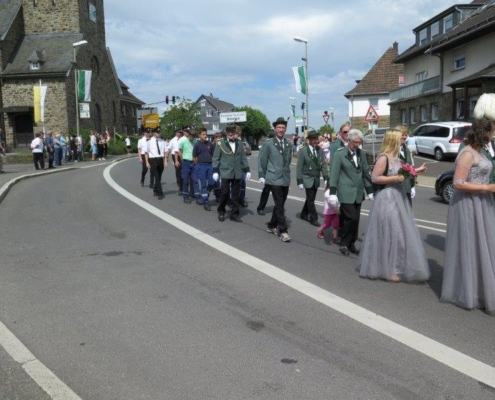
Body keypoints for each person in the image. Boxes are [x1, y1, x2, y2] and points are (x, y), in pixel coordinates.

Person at [358, 129, 430, 283]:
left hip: (398, 196)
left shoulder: (396, 157)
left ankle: (397, 266)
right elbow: (375, 178)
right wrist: (395, 178)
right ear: (393, 140)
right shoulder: (383, 157)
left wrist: (417, 170)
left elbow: (405, 172)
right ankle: (389, 269)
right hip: (388, 197)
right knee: (391, 232)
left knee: (400, 233)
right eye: (400, 138)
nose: (404, 140)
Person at [441, 118, 495, 315]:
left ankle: (483, 290)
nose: (493, 135)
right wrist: (487, 187)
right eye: (491, 132)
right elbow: (458, 183)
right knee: (471, 245)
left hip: (482, 203)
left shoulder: (480, 152)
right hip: (468, 204)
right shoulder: (467, 153)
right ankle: (470, 291)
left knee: (484, 245)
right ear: (484, 133)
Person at [329, 129, 373, 256]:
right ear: (349, 140)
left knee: (356, 219)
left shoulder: (361, 154)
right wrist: (332, 192)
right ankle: (344, 243)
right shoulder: (340, 154)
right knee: (351, 218)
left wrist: (370, 190)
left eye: (360, 142)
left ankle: (351, 243)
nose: (358, 145)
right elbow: (334, 173)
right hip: (345, 191)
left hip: (358, 192)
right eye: (356, 142)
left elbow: (365, 173)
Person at [259, 117, 293, 242]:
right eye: (279, 127)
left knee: (281, 203)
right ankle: (283, 231)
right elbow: (263, 160)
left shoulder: (288, 144)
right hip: (273, 178)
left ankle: (271, 225)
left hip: (285, 178)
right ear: (275, 129)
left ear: (285, 129)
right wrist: (262, 175)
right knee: (279, 205)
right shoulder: (268, 144)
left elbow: (289, 160)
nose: (281, 130)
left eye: (283, 127)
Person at [212, 126, 250, 222]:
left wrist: (247, 170)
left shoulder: (239, 143)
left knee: (235, 194)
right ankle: (221, 210)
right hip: (225, 171)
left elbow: (243, 158)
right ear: (226, 132)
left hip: (237, 172)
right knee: (224, 193)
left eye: (232, 131)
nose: (230, 133)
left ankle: (234, 214)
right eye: (228, 131)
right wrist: (215, 171)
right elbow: (216, 158)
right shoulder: (220, 143)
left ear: (235, 132)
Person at [296, 130, 329, 226]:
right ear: (309, 139)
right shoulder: (303, 151)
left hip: (316, 179)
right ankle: (313, 218)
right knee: (311, 199)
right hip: (307, 178)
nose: (316, 141)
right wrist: (299, 181)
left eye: (316, 139)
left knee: (310, 198)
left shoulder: (319, 150)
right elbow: (299, 167)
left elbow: (323, 165)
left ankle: (303, 214)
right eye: (313, 139)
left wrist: (326, 177)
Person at [395, 125, 428, 206]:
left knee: (408, 211)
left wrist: (412, 185)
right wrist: (417, 170)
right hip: (396, 188)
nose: (404, 137)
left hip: (407, 187)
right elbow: (399, 170)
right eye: (402, 135)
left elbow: (409, 167)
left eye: (405, 135)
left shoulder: (406, 149)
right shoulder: (392, 151)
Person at [193, 128, 215, 211]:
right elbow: (194, 157)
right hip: (201, 165)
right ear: (199, 135)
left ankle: (205, 194)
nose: (205, 136)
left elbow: (213, 154)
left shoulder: (210, 144)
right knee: (203, 184)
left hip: (209, 165)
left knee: (212, 183)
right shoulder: (197, 145)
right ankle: (206, 202)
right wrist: (198, 166)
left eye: (205, 134)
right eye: (203, 134)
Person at [145, 128, 168, 200]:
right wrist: (147, 162)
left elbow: (165, 152)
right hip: (153, 160)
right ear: (154, 133)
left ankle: (155, 190)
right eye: (158, 132)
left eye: (160, 132)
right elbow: (146, 153)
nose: (159, 133)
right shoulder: (149, 142)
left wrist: (165, 161)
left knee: (159, 177)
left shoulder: (163, 142)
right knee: (157, 177)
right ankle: (160, 193)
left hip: (160, 159)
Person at [177, 128, 196, 203]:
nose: (192, 138)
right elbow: (180, 151)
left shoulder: (195, 142)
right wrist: (182, 159)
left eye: (193, 136)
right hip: (186, 162)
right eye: (191, 136)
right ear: (188, 135)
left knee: (194, 179)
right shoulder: (183, 142)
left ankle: (193, 193)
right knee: (185, 180)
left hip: (193, 162)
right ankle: (185, 196)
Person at [169, 129, 183, 196]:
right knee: (177, 169)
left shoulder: (183, 139)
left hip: (181, 155)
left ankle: (182, 180)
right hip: (174, 155)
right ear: (176, 133)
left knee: (182, 168)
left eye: (180, 132)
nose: (179, 133)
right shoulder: (173, 140)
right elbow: (169, 148)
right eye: (178, 132)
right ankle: (178, 181)